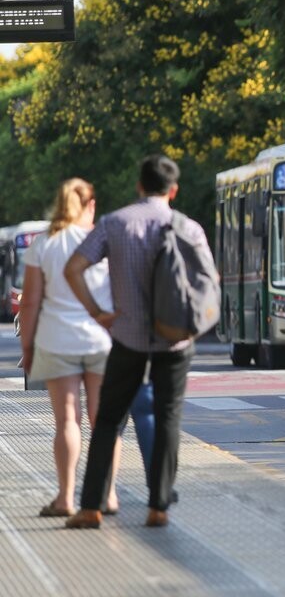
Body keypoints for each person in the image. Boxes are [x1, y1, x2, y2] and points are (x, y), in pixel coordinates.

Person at [62, 154, 207, 529]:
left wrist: (97, 312)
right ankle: (159, 506)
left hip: (126, 339)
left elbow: (73, 268)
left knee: (108, 419)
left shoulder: (114, 223)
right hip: (175, 341)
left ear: (139, 186)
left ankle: (91, 507)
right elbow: (208, 281)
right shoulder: (188, 228)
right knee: (168, 417)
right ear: (173, 190)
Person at [19, 178, 123, 518]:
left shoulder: (44, 244)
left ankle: (65, 497)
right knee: (102, 421)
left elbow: (30, 303)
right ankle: (108, 495)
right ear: (90, 205)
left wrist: (29, 347)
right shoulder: (103, 241)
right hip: (100, 340)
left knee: (67, 421)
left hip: (56, 340)